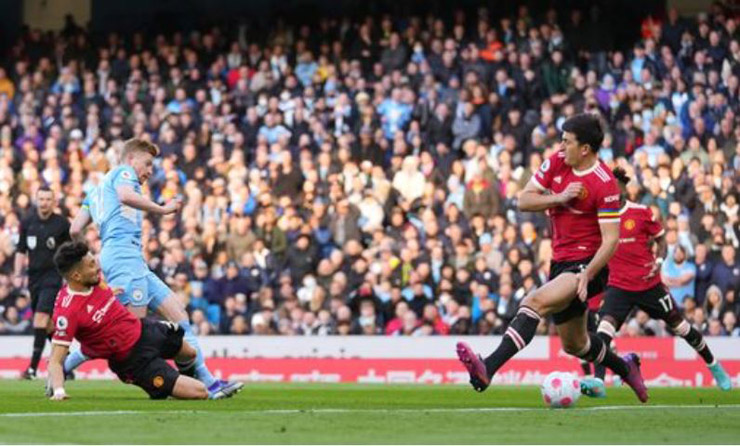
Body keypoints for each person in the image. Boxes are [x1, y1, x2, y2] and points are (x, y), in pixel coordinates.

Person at [455, 114, 649, 402]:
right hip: (560, 264)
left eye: (567, 141)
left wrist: (588, 273)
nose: (561, 146)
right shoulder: (557, 160)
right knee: (576, 344)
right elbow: (523, 200)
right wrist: (558, 198)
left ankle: (488, 368)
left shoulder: (604, 183)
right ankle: (626, 367)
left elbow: (611, 240)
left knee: (534, 302)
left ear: (585, 149)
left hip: (588, 266)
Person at [67, 138, 241, 396]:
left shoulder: (95, 191)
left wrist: (92, 257)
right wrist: (162, 209)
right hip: (124, 259)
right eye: (147, 163)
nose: (150, 170)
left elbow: (74, 230)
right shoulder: (124, 174)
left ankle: (209, 381)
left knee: (179, 316)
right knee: (130, 332)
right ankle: (63, 363)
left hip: (129, 260)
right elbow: (126, 196)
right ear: (130, 159)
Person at [580, 168, 731, 397]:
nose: (610, 189)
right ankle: (599, 381)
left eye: (614, 185)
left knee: (682, 327)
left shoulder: (640, 212)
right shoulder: (601, 217)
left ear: (622, 188)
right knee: (603, 331)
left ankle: (713, 365)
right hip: (618, 286)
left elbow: (661, 239)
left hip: (648, 284)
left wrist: (659, 261)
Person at [46, 241, 236, 400]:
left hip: (144, 330)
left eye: (94, 261)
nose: (97, 267)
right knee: (200, 392)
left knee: (189, 353)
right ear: (76, 276)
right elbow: (55, 360)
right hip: (132, 360)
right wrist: (59, 390)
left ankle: (176, 383)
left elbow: (96, 298)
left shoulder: (94, 280)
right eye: (91, 265)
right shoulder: (67, 311)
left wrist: (110, 293)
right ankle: (172, 384)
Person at [14, 186, 71, 379]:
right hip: (33, 277)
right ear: (36, 200)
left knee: (39, 319)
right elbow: (21, 250)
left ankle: (31, 369)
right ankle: (67, 362)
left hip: (53, 277)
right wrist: (17, 274)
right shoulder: (27, 222)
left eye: (48, 199)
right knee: (47, 326)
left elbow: (69, 250)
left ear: (54, 201)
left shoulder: (62, 224)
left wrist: (70, 274)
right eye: (41, 198)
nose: (44, 202)